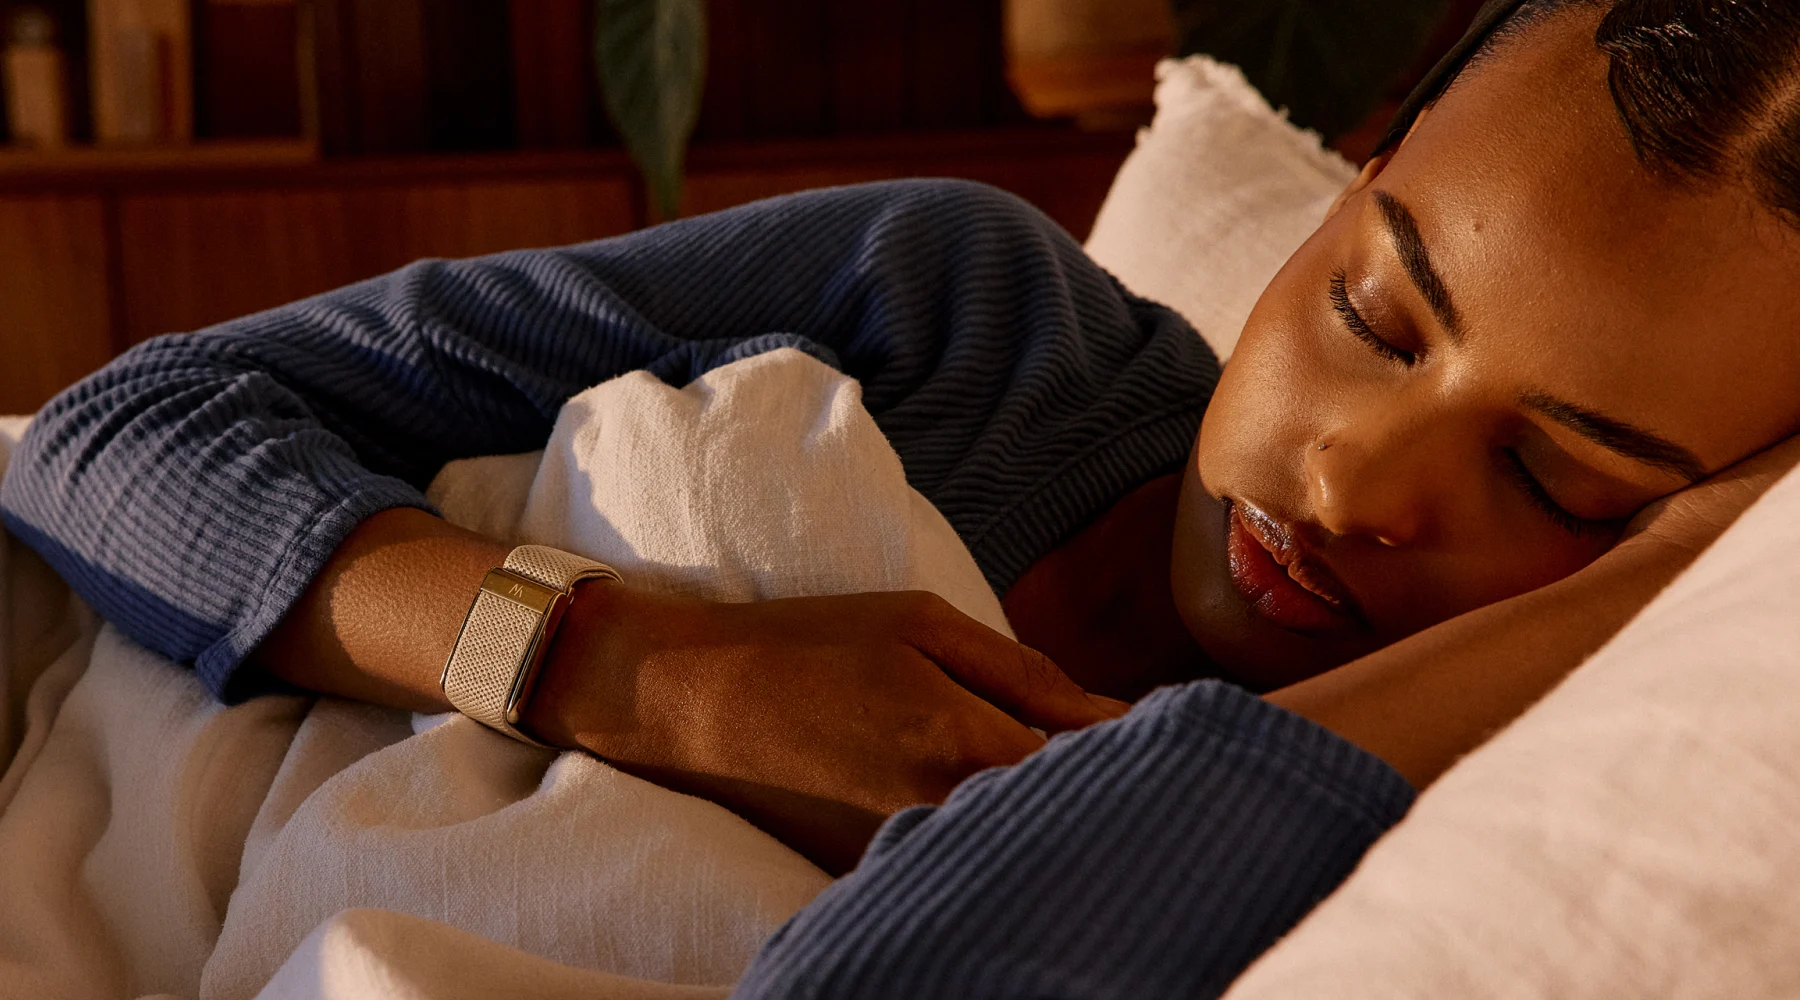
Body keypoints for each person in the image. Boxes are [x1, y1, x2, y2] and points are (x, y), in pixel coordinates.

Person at [4, 0, 1800, 994]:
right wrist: (641, 669)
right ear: (1359, 169)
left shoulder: (1501, 828)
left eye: (1557, 479)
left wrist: (1649, 589)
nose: (1349, 476)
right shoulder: (963, 310)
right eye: (1373, 314)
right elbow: (123, 428)